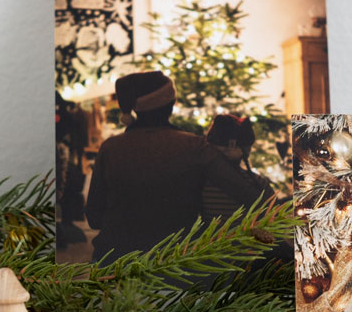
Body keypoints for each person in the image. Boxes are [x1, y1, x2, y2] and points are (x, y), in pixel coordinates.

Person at [85, 71, 269, 265]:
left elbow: (94, 218)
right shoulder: (196, 147)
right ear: (170, 105)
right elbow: (249, 195)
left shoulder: (110, 147)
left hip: (112, 261)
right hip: (174, 263)